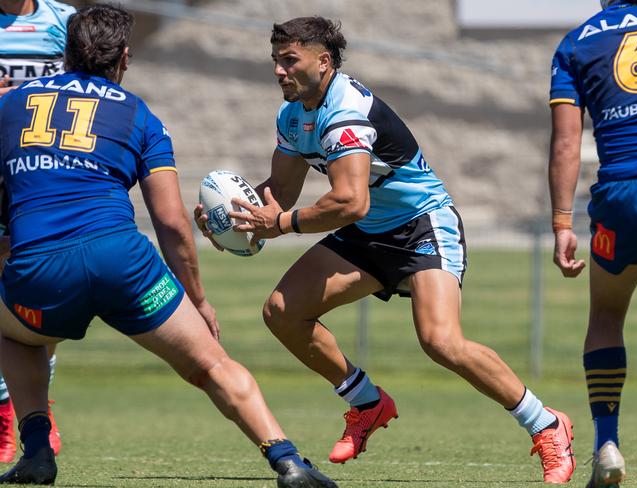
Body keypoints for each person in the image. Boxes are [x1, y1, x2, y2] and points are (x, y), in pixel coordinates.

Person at [196, 16, 576, 484]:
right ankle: (367, 403)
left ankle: (547, 424)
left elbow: (350, 201)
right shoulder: (292, 116)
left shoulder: (346, 110)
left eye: (289, 60)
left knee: (441, 341)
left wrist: (280, 225)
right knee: (282, 311)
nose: (279, 70)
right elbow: (282, 191)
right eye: (276, 61)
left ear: (324, 61)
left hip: (422, 225)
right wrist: (233, 221)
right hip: (368, 232)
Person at [0, 5, 338, 487]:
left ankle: (36, 452)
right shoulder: (140, 116)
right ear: (125, 59)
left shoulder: (10, 106)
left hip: (41, 266)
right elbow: (172, 221)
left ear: (64, 53)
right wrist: (197, 299)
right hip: (124, 263)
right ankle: (287, 461)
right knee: (211, 365)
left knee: (14, 335)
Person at [549, 0, 637, 486]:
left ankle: (607, 443)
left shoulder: (576, 43)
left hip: (620, 196)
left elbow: (567, 143)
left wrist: (562, 223)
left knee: (607, 318)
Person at [0, 0, 74, 462]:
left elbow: (92, 88)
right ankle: (9, 409)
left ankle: (35, 412)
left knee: (39, 293)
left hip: (40, 173)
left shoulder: (64, 21)